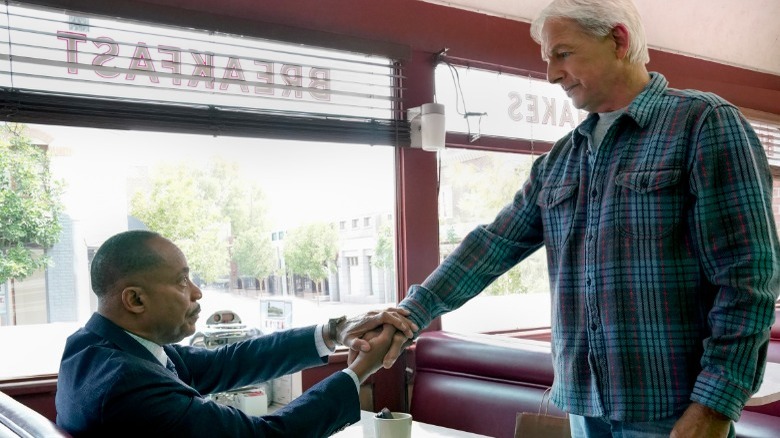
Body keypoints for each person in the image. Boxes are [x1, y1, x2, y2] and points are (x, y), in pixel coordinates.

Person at [368, 1, 780, 437]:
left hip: (673, 410)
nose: (551, 74)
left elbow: (749, 279)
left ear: (618, 41)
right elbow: (492, 245)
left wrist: (715, 405)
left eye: (563, 53)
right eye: (547, 59)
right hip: (584, 408)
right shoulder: (559, 160)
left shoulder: (704, 124)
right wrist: (409, 314)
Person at [55, 230, 416, 437]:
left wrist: (335, 330)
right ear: (135, 299)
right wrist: (357, 372)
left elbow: (228, 361)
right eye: (181, 281)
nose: (197, 293)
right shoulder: (127, 383)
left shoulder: (95, 347)